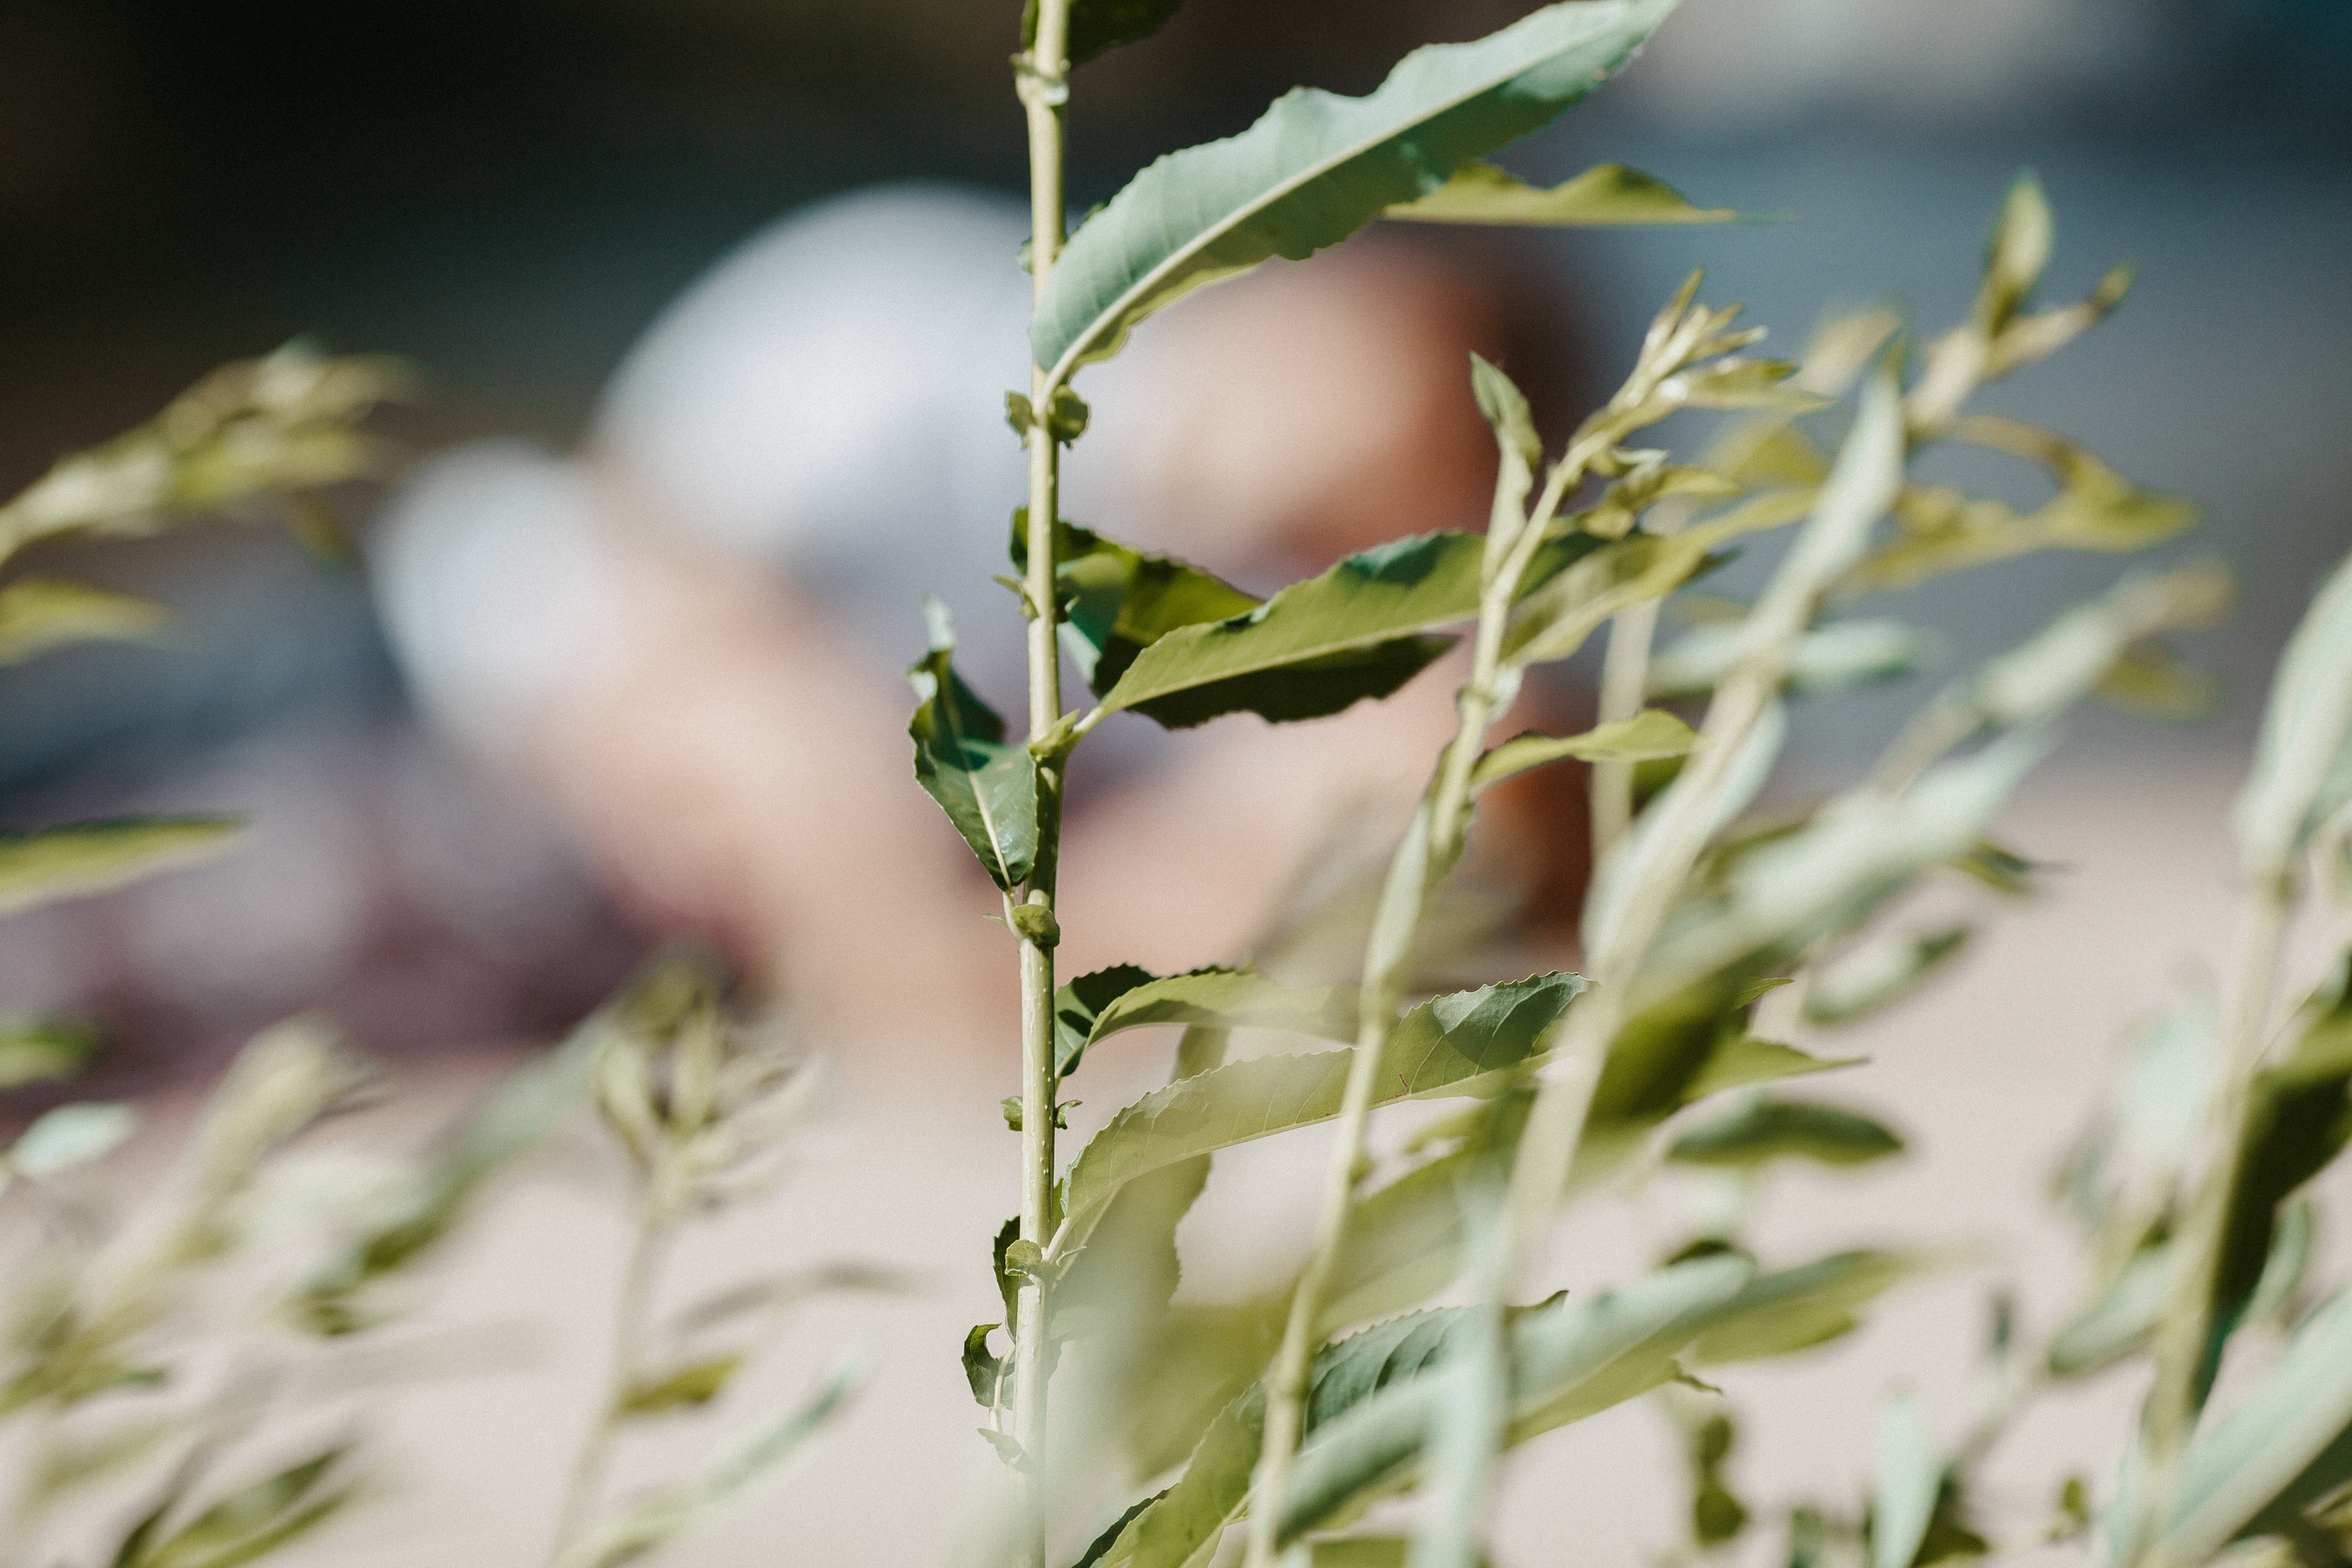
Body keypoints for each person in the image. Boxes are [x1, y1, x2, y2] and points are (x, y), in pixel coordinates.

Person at [370, 183, 1596, 1076]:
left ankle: (941, 987)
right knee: (765, 717)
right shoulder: (928, 336)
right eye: (1439, 413)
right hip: (425, 694)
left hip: (808, 880)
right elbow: (655, 606)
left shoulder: (1284, 615)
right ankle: (934, 987)